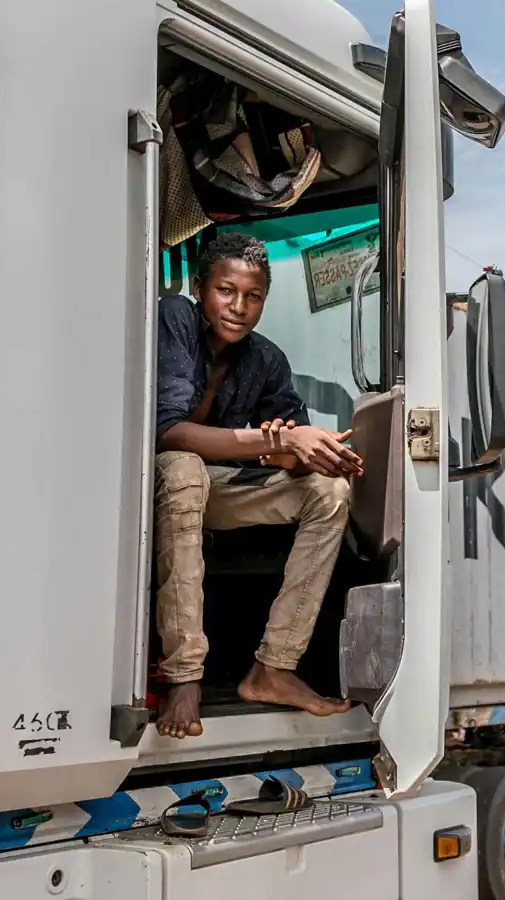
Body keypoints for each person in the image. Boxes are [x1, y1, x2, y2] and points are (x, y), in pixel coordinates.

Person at [153, 231, 365, 739]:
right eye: (226, 291)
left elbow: (284, 452)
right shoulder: (173, 319)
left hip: (217, 491)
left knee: (328, 493)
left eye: (254, 297)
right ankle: (184, 675)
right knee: (182, 467)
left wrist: (305, 453)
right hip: (150, 486)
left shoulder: (266, 359)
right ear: (201, 287)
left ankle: (273, 667)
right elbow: (168, 430)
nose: (239, 307)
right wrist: (264, 442)